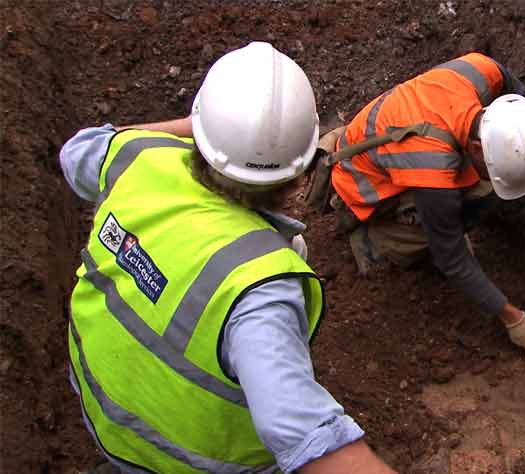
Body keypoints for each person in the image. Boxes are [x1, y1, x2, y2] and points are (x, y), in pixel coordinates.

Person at [60, 42, 395, 473]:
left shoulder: (135, 157)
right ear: (298, 171)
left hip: (95, 396)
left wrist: (194, 127)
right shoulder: (259, 286)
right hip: (178, 460)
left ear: (200, 128)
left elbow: (78, 151)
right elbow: (304, 435)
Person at [323, 52, 525, 360]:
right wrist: (514, 319)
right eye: (489, 165)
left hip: (388, 147)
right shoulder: (430, 166)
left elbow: (522, 107)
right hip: (362, 189)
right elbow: (452, 258)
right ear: (475, 147)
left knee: (483, 190)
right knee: (472, 203)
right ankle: (373, 244)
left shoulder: (481, 70)